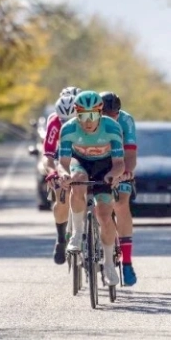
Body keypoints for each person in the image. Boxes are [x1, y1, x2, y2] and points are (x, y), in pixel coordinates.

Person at [56, 90, 126, 286]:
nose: (88, 121)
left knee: (104, 215)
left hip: (105, 166)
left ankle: (109, 263)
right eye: (82, 115)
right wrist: (63, 174)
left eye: (93, 115)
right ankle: (77, 235)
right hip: (81, 163)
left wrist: (113, 175)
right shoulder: (69, 129)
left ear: (100, 112)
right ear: (76, 114)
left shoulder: (112, 127)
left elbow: (119, 163)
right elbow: (63, 162)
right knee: (77, 181)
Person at [100, 91, 139, 286]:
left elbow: (130, 154)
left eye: (112, 114)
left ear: (118, 112)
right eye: (104, 114)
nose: (108, 118)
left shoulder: (126, 121)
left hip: (120, 164)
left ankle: (127, 262)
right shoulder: (89, 121)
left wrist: (127, 173)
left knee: (121, 202)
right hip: (97, 164)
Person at [43, 87, 80, 264]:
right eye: (63, 120)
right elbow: (48, 156)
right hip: (61, 157)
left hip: (83, 155)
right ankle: (61, 238)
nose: (66, 124)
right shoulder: (54, 122)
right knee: (61, 199)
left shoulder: (90, 120)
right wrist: (51, 172)